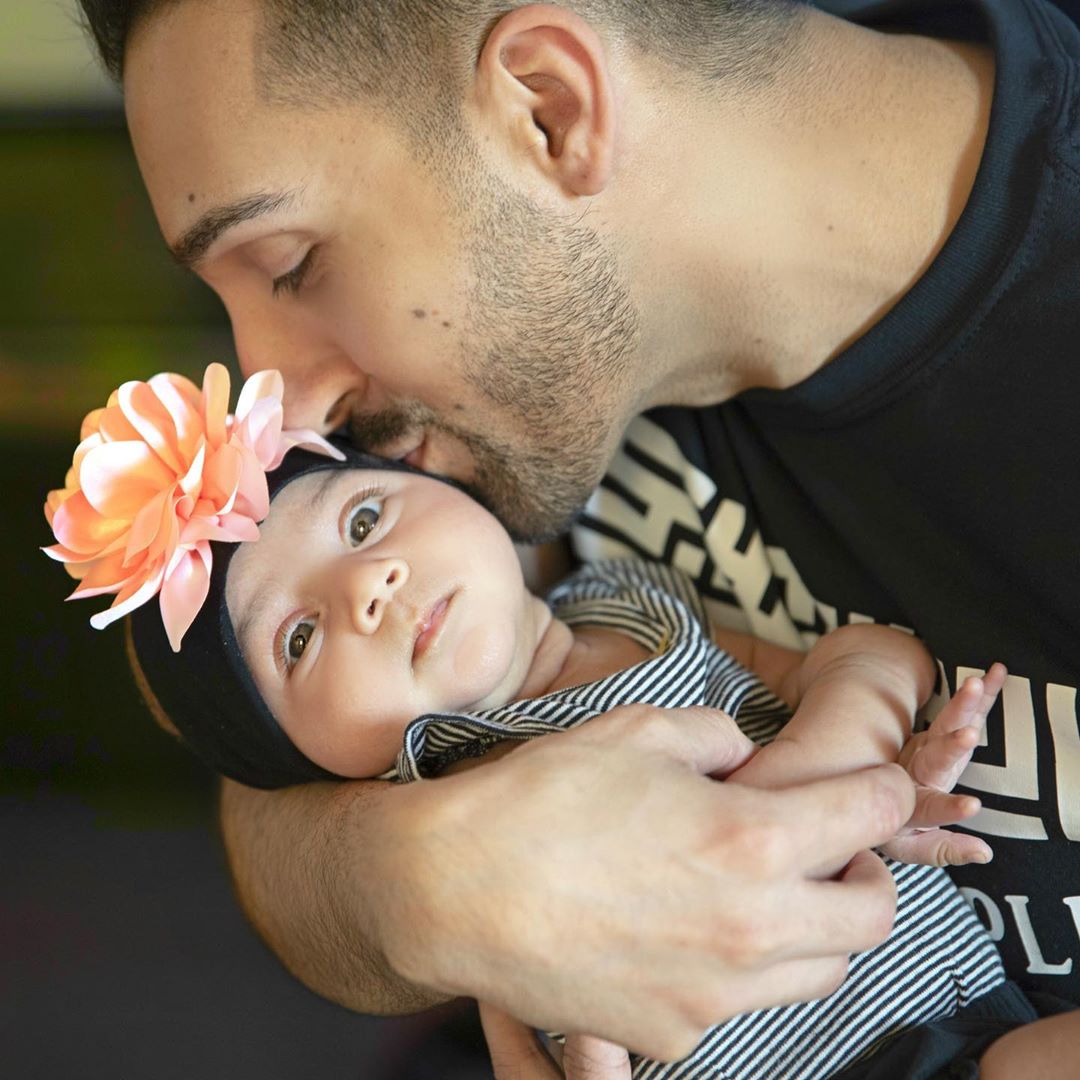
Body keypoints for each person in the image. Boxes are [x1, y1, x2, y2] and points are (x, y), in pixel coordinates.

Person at [74, 0, 1080, 1067]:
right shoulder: (502, 425)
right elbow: (266, 769)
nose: (293, 413)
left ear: (551, 111)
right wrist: (432, 885)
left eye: (291, 264)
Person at [44, 364, 1063, 1077]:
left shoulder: (632, 598)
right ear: (308, 766)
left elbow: (869, 653)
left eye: (363, 521)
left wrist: (831, 759)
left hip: (957, 1007)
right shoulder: (455, 791)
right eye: (300, 640)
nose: (371, 588)